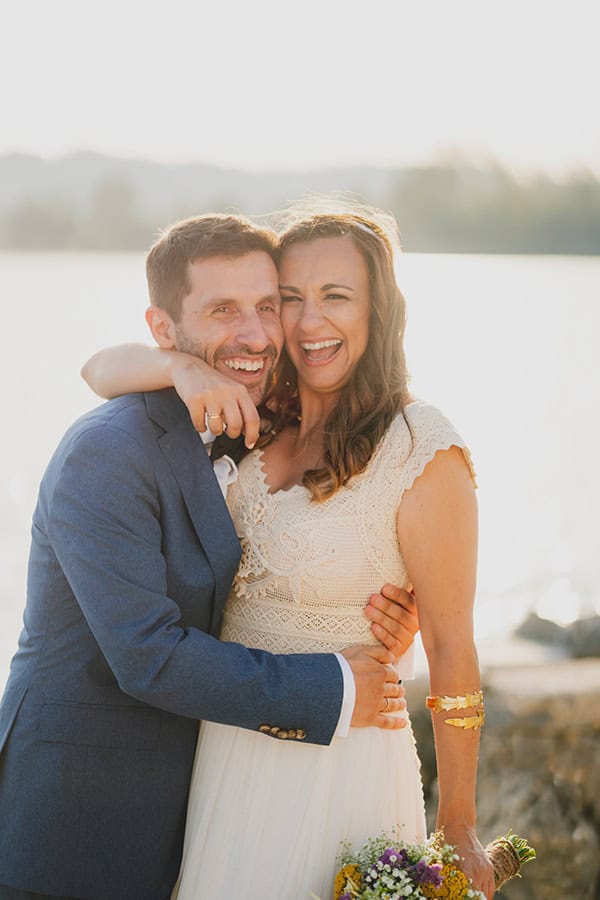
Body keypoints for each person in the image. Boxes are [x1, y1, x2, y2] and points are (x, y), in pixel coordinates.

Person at [83, 201, 495, 899]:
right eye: (289, 300)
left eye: (336, 296)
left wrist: (457, 823)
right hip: (227, 749)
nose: (308, 324)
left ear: (380, 309)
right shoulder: (255, 414)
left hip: (341, 760)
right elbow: (98, 369)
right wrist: (184, 368)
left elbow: (454, 645)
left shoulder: (422, 445)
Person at [0, 215, 419, 900]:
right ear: (164, 329)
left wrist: (381, 611)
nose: (255, 334)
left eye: (266, 306)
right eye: (224, 311)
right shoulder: (107, 453)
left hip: (194, 816)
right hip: (74, 829)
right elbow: (149, 655)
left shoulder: (251, 421)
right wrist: (338, 686)